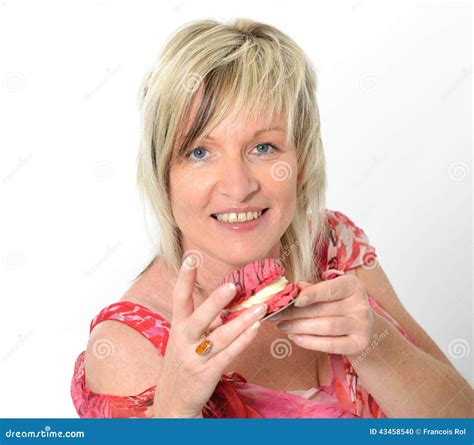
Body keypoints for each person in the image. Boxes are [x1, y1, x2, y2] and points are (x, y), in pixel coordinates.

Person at [70, 18, 472, 418]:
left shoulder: (332, 245)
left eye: (263, 147)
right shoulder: (126, 347)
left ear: (300, 161)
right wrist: (174, 413)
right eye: (199, 152)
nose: (238, 186)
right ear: (164, 175)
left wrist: (380, 347)